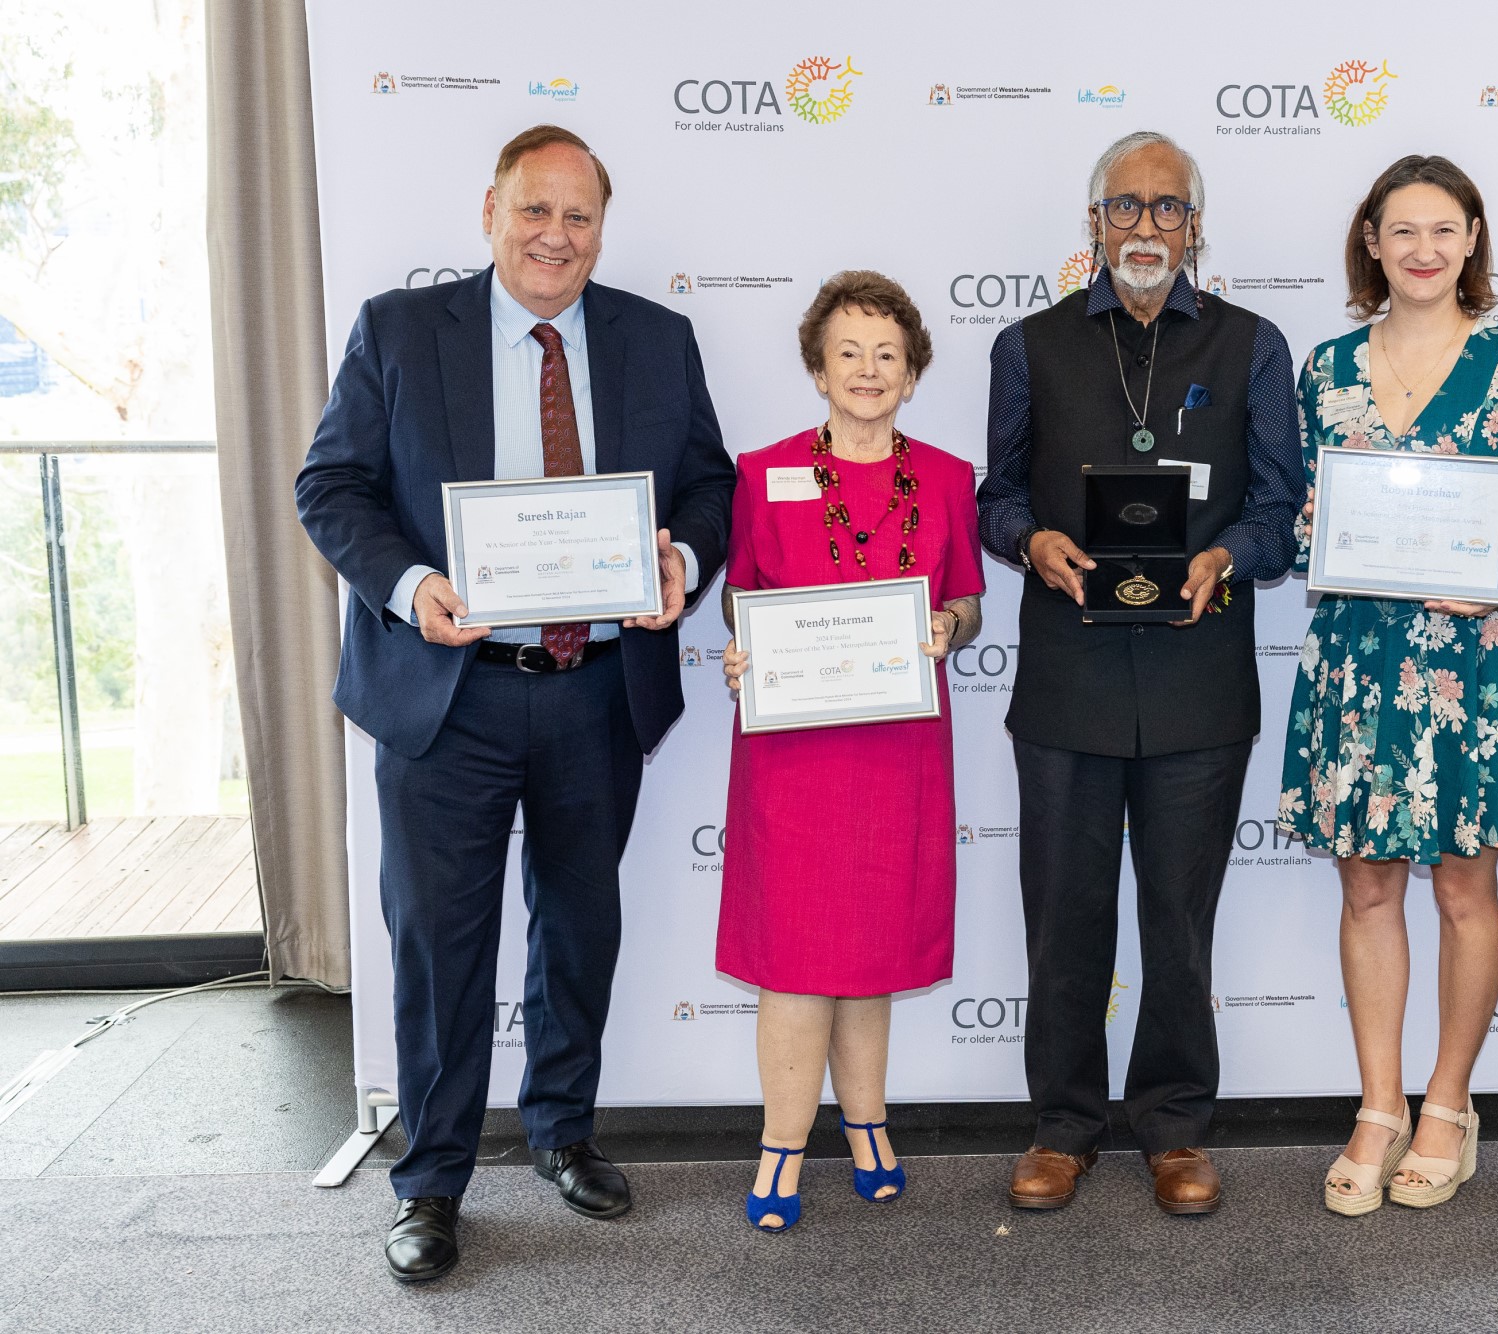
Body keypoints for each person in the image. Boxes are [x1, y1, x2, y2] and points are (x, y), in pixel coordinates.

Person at [295, 125, 734, 1282]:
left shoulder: (655, 336)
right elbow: (330, 484)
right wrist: (409, 583)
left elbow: (706, 482)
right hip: (448, 693)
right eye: (534, 211)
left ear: (601, 227)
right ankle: (431, 1179)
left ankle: (561, 1128)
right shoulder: (400, 330)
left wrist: (683, 556)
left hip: (596, 690)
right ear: (489, 209)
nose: (555, 236)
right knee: (438, 945)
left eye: (578, 217)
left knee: (578, 925)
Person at [978, 130, 1306, 1216]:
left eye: (1167, 209)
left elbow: (1278, 510)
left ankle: (1173, 1127)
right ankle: (1061, 1126)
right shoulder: (1025, 346)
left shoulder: (1252, 346)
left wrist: (1229, 556)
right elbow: (994, 499)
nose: (1145, 228)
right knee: (1063, 912)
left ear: (1194, 227)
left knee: (1178, 917)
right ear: (1092, 224)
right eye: (1125, 207)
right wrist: (1031, 543)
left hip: (1197, 675)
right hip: (1068, 671)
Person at [1279, 155, 1498, 1215]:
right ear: (1369, 240)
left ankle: (1447, 1099)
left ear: (1471, 237)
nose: (1421, 249)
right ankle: (1376, 1101)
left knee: (1462, 887)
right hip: (1359, 665)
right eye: (1400, 230)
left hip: (1473, 669)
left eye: (1442, 229)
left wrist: (1494, 578)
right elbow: (1299, 516)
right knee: (1365, 885)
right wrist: (1325, 536)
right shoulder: (1321, 369)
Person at [717, 271, 984, 1233]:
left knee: (869, 950)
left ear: (912, 372)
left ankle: (868, 1124)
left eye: (887, 354)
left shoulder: (951, 479)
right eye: (848, 353)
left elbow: (966, 595)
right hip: (793, 753)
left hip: (899, 748)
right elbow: (739, 591)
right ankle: (781, 1142)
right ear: (817, 369)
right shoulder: (762, 470)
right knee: (796, 955)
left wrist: (952, 625)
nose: (868, 371)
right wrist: (742, 644)